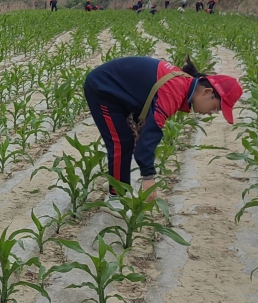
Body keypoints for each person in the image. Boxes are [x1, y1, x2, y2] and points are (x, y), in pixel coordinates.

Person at [83, 56, 242, 203]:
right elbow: (151, 133)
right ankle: (115, 197)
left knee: (127, 139)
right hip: (103, 88)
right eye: (215, 108)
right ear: (207, 92)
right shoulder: (174, 91)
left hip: (120, 91)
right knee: (120, 142)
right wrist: (148, 176)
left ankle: (117, 182)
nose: (211, 113)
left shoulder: (183, 84)